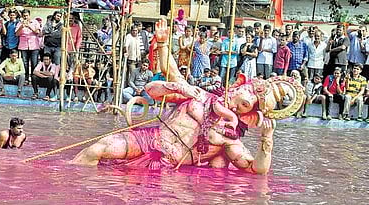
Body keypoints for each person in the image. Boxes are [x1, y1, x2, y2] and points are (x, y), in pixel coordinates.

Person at [72, 19, 304, 175]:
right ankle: (74, 180)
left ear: (247, 114)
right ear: (237, 87)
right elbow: (154, 87)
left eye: (244, 106)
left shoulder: (228, 137)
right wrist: (164, 47)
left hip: (171, 166)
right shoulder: (199, 95)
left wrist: (267, 140)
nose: (237, 103)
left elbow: (255, 169)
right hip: (149, 141)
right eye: (241, 95)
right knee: (97, 149)